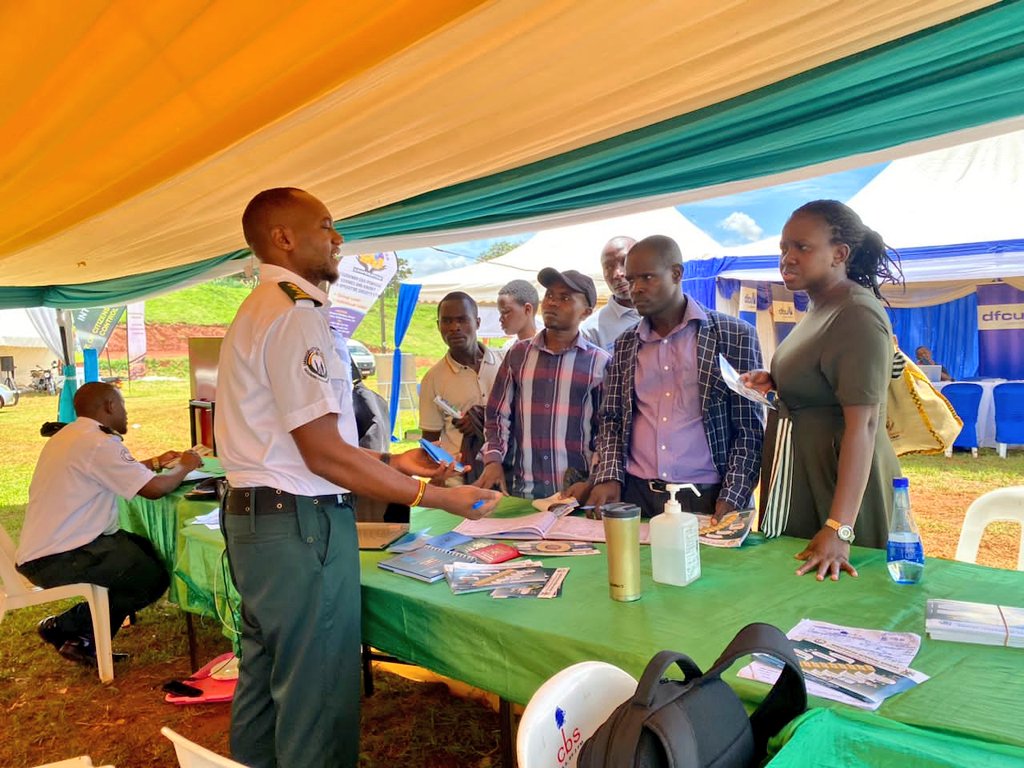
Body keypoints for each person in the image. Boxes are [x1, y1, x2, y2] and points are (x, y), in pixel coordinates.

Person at [216, 187, 500, 768]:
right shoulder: (297, 314)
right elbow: (322, 455)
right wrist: (433, 497)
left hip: (259, 519)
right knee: (316, 689)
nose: (338, 237)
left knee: (267, 677)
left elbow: (305, 446)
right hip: (300, 527)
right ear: (284, 238)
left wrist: (392, 464)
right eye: (325, 226)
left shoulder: (259, 307)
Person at [741, 199, 902, 582]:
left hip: (837, 489)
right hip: (805, 476)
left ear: (839, 254)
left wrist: (839, 527)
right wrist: (778, 382)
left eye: (802, 247)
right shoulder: (821, 307)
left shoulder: (855, 313)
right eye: (783, 248)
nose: (787, 257)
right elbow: (824, 382)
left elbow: (863, 425)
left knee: (842, 609)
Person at [16, 381, 203, 665]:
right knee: (148, 577)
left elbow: (105, 470)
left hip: (51, 549)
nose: (126, 413)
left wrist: (153, 462)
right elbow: (154, 490)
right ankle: (63, 626)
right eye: (123, 405)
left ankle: (82, 640)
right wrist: (186, 465)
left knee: (139, 550)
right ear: (109, 406)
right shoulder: (98, 443)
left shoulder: (73, 436)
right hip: (62, 556)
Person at [587, 235, 765, 520]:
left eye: (647, 277)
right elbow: (611, 420)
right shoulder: (625, 344)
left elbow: (749, 429)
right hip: (638, 496)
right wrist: (609, 475)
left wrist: (733, 496)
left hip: (709, 497)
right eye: (632, 281)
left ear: (676, 273)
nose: (636, 289)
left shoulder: (734, 335)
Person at [475, 268, 609, 499]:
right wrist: (493, 460)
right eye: (549, 295)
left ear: (586, 312)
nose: (552, 303)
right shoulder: (518, 355)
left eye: (565, 298)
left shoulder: (600, 363)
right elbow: (497, 415)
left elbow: (606, 432)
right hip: (523, 493)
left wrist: (593, 480)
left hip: (575, 495)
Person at [419, 291, 503, 482]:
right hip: (459, 478)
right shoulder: (432, 379)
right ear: (438, 326)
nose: (454, 328)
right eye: (446, 321)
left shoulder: (504, 363)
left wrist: (480, 417)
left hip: (506, 470)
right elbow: (431, 442)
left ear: (478, 323)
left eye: (462, 320)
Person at [581, 236, 640, 350]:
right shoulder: (591, 331)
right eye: (608, 267)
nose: (617, 274)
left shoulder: (669, 313)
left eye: (624, 262)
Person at [497, 279, 539, 348]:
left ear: (527, 309)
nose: (501, 319)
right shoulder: (508, 348)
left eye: (506, 312)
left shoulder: (547, 348)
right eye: (500, 313)